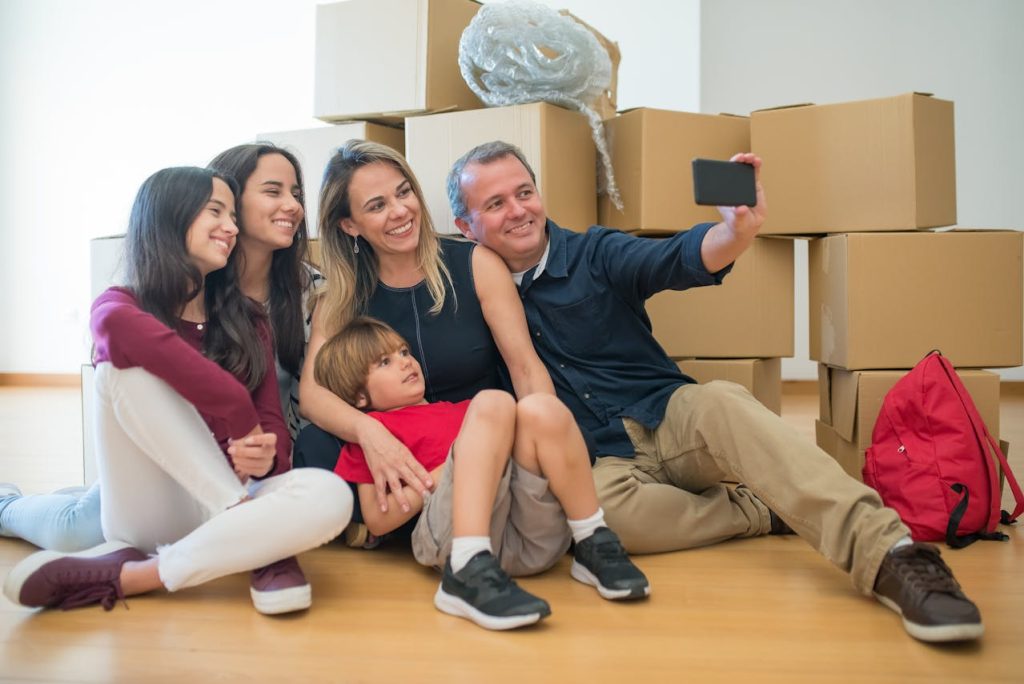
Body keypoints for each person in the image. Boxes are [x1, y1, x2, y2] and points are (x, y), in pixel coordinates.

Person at [444, 140, 984, 644]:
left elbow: (675, 258)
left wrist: (735, 233)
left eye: (524, 192)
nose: (518, 210)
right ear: (466, 226)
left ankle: (891, 553)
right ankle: (758, 510)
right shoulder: (467, 303)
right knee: (599, 519)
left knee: (724, 401)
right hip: (597, 458)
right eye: (495, 203)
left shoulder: (595, 252)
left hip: (666, 415)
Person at [297, 140, 646, 624]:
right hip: (419, 476)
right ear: (349, 225)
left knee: (531, 407)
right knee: (321, 441)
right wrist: (370, 432)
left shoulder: (475, 262)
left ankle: (593, 541)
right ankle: (468, 563)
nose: (400, 211)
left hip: (494, 449)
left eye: (404, 193)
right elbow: (312, 395)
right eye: (378, 205)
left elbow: (525, 368)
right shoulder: (342, 297)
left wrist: (551, 446)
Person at [2, 166, 352, 615]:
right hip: (155, 506)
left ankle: (137, 575)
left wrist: (265, 453)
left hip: (226, 495)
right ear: (169, 217)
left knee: (331, 493)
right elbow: (117, 334)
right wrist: (234, 409)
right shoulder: (120, 306)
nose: (231, 227)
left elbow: (271, 429)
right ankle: (252, 534)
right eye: (215, 212)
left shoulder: (248, 318)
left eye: (232, 215)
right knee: (123, 372)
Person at [316, 317, 648, 629]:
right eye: (384, 362)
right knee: (494, 402)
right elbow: (376, 518)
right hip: (450, 540)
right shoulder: (377, 433)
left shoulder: (464, 412)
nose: (405, 361)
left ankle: (592, 539)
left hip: (528, 540)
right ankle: (467, 567)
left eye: (404, 352)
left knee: (540, 407)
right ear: (360, 396)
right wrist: (451, 467)